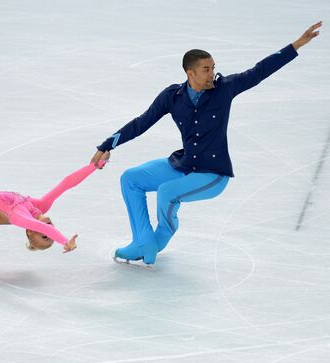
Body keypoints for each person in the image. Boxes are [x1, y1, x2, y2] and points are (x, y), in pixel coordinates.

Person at [90, 22, 323, 266]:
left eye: (213, 68)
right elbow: (142, 122)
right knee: (130, 179)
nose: (212, 73)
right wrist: (108, 144)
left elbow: (259, 71)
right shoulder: (172, 96)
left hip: (212, 173)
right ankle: (142, 241)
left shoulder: (224, 89)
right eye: (205, 69)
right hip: (184, 163)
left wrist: (297, 44)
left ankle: (157, 241)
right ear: (190, 74)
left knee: (167, 192)